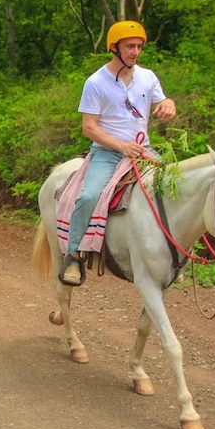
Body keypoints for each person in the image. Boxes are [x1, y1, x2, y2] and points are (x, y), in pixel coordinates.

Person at [60, 20, 176, 286]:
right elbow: (89, 128)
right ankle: (74, 254)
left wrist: (169, 104)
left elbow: (163, 100)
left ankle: (171, 254)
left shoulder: (147, 77)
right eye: (129, 46)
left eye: (138, 47)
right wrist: (121, 146)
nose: (135, 52)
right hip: (108, 153)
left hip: (142, 151)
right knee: (88, 196)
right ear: (114, 47)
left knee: (174, 187)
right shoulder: (96, 82)